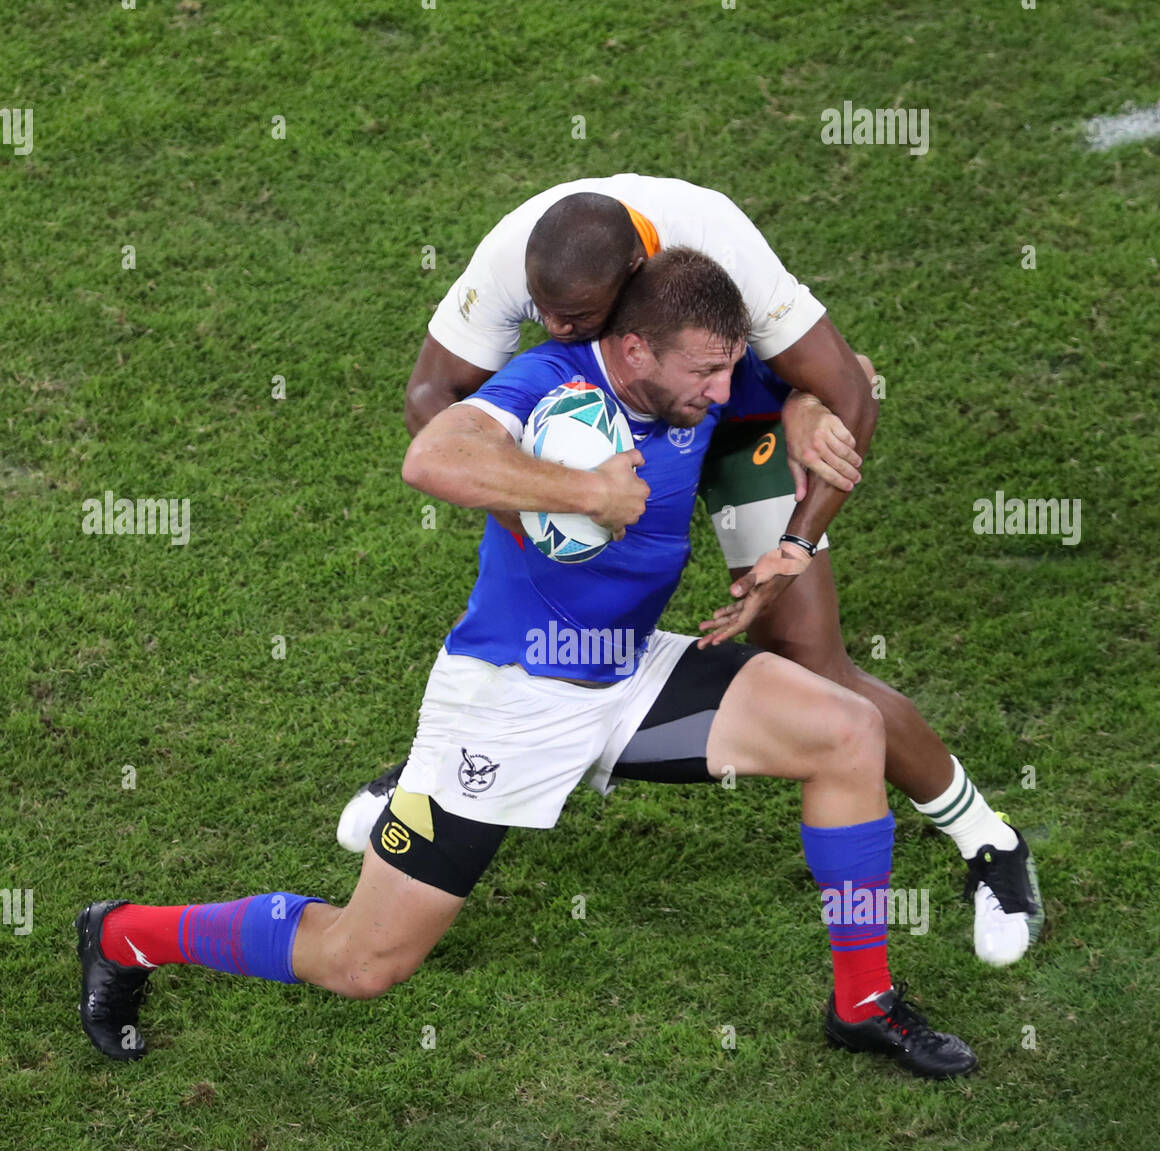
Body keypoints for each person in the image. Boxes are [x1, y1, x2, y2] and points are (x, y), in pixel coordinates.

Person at [78, 249, 975, 1079]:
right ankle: (124, 935)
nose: (722, 384)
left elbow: (842, 377)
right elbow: (432, 455)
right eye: (704, 369)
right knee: (362, 961)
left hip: (627, 673)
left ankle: (862, 1002)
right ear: (631, 349)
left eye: (731, 363)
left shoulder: (703, 378)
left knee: (846, 730)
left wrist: (804, 406)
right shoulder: (546, 382)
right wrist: (590, 493)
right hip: (506, 704)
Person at [342, 174, 1044, 965]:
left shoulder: (719, 243)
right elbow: (432, 396)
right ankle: (446, 768)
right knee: (544, 611)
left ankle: (989, 841)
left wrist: (796, 505)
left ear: (638, 284)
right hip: (606, 432)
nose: (555, 328)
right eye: (547, 314)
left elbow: (848, 381)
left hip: (728, 420)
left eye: (577, 318)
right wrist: (544, 510)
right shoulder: (525, 257)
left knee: (810, 662)